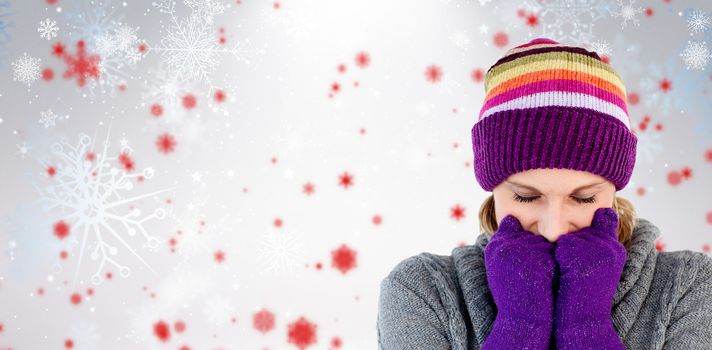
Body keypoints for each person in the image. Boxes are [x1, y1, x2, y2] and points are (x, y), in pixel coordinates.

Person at [376, 37, 712, 349]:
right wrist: (519, 326)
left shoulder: (688, 286)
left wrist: (587, 326)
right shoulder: (422, 291)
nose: (554, 229)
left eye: (583, 198)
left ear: (613, 191)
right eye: (525, 196)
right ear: (493, 189)